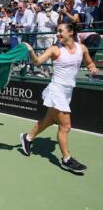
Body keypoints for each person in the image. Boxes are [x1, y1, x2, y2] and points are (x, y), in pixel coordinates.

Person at [20, 23, 99, 173]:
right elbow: (37, 62)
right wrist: (30, 50)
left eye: (61, 31)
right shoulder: (55, 50)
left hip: (68, 92)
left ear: (71, 32)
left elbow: (89, 63)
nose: (58, 34)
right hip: (56, 90)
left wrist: (93, 68)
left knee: (48, 121)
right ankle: (66, 159)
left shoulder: (82, 48)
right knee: (65, 126)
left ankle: (27, 138)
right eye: (57, 31)